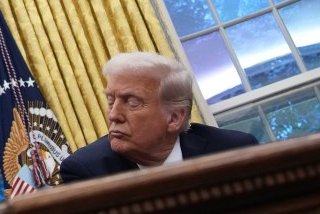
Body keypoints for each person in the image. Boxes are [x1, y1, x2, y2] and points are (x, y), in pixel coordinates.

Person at [59, 51, 257, 182]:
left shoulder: (234, 151)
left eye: (132, 102)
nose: (113, 115)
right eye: (111, 101)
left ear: (174, 118)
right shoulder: (86, 172)